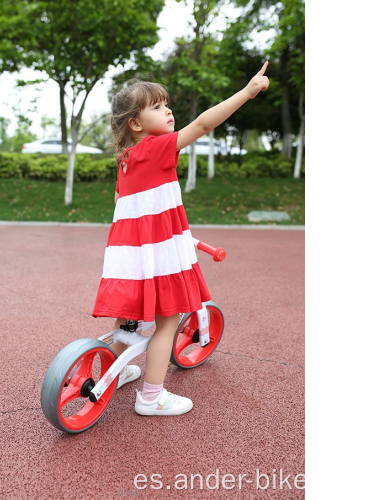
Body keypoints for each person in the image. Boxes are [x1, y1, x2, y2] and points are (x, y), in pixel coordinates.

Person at [92, 62, 270, 416]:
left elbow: (120, 203)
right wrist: (247, 92)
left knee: (128, 317)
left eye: (166, 103)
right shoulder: (157, 148)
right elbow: (204, 124)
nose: (167, 109)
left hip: (128, 257)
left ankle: (117, 371)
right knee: (168, 321)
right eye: (157, 106)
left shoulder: (126, 160)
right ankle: (151, 396)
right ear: (136, 123)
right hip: (157, 255)